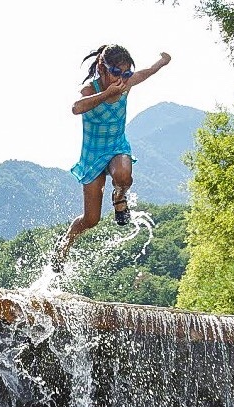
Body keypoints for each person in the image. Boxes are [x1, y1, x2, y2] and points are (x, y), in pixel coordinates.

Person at [52, 44, 171, 271]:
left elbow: (145, 73)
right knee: (91, 219)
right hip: (92, 156)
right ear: (102, 67)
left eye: (125, 73)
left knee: (124, 175)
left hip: (117, 147)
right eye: (116, 72)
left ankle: (119, 198)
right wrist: (107, 94)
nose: (121, 78)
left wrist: (161, 62)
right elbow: (76, 108)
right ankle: (65, 242)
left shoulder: (126, 84)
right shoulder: (90, 89)